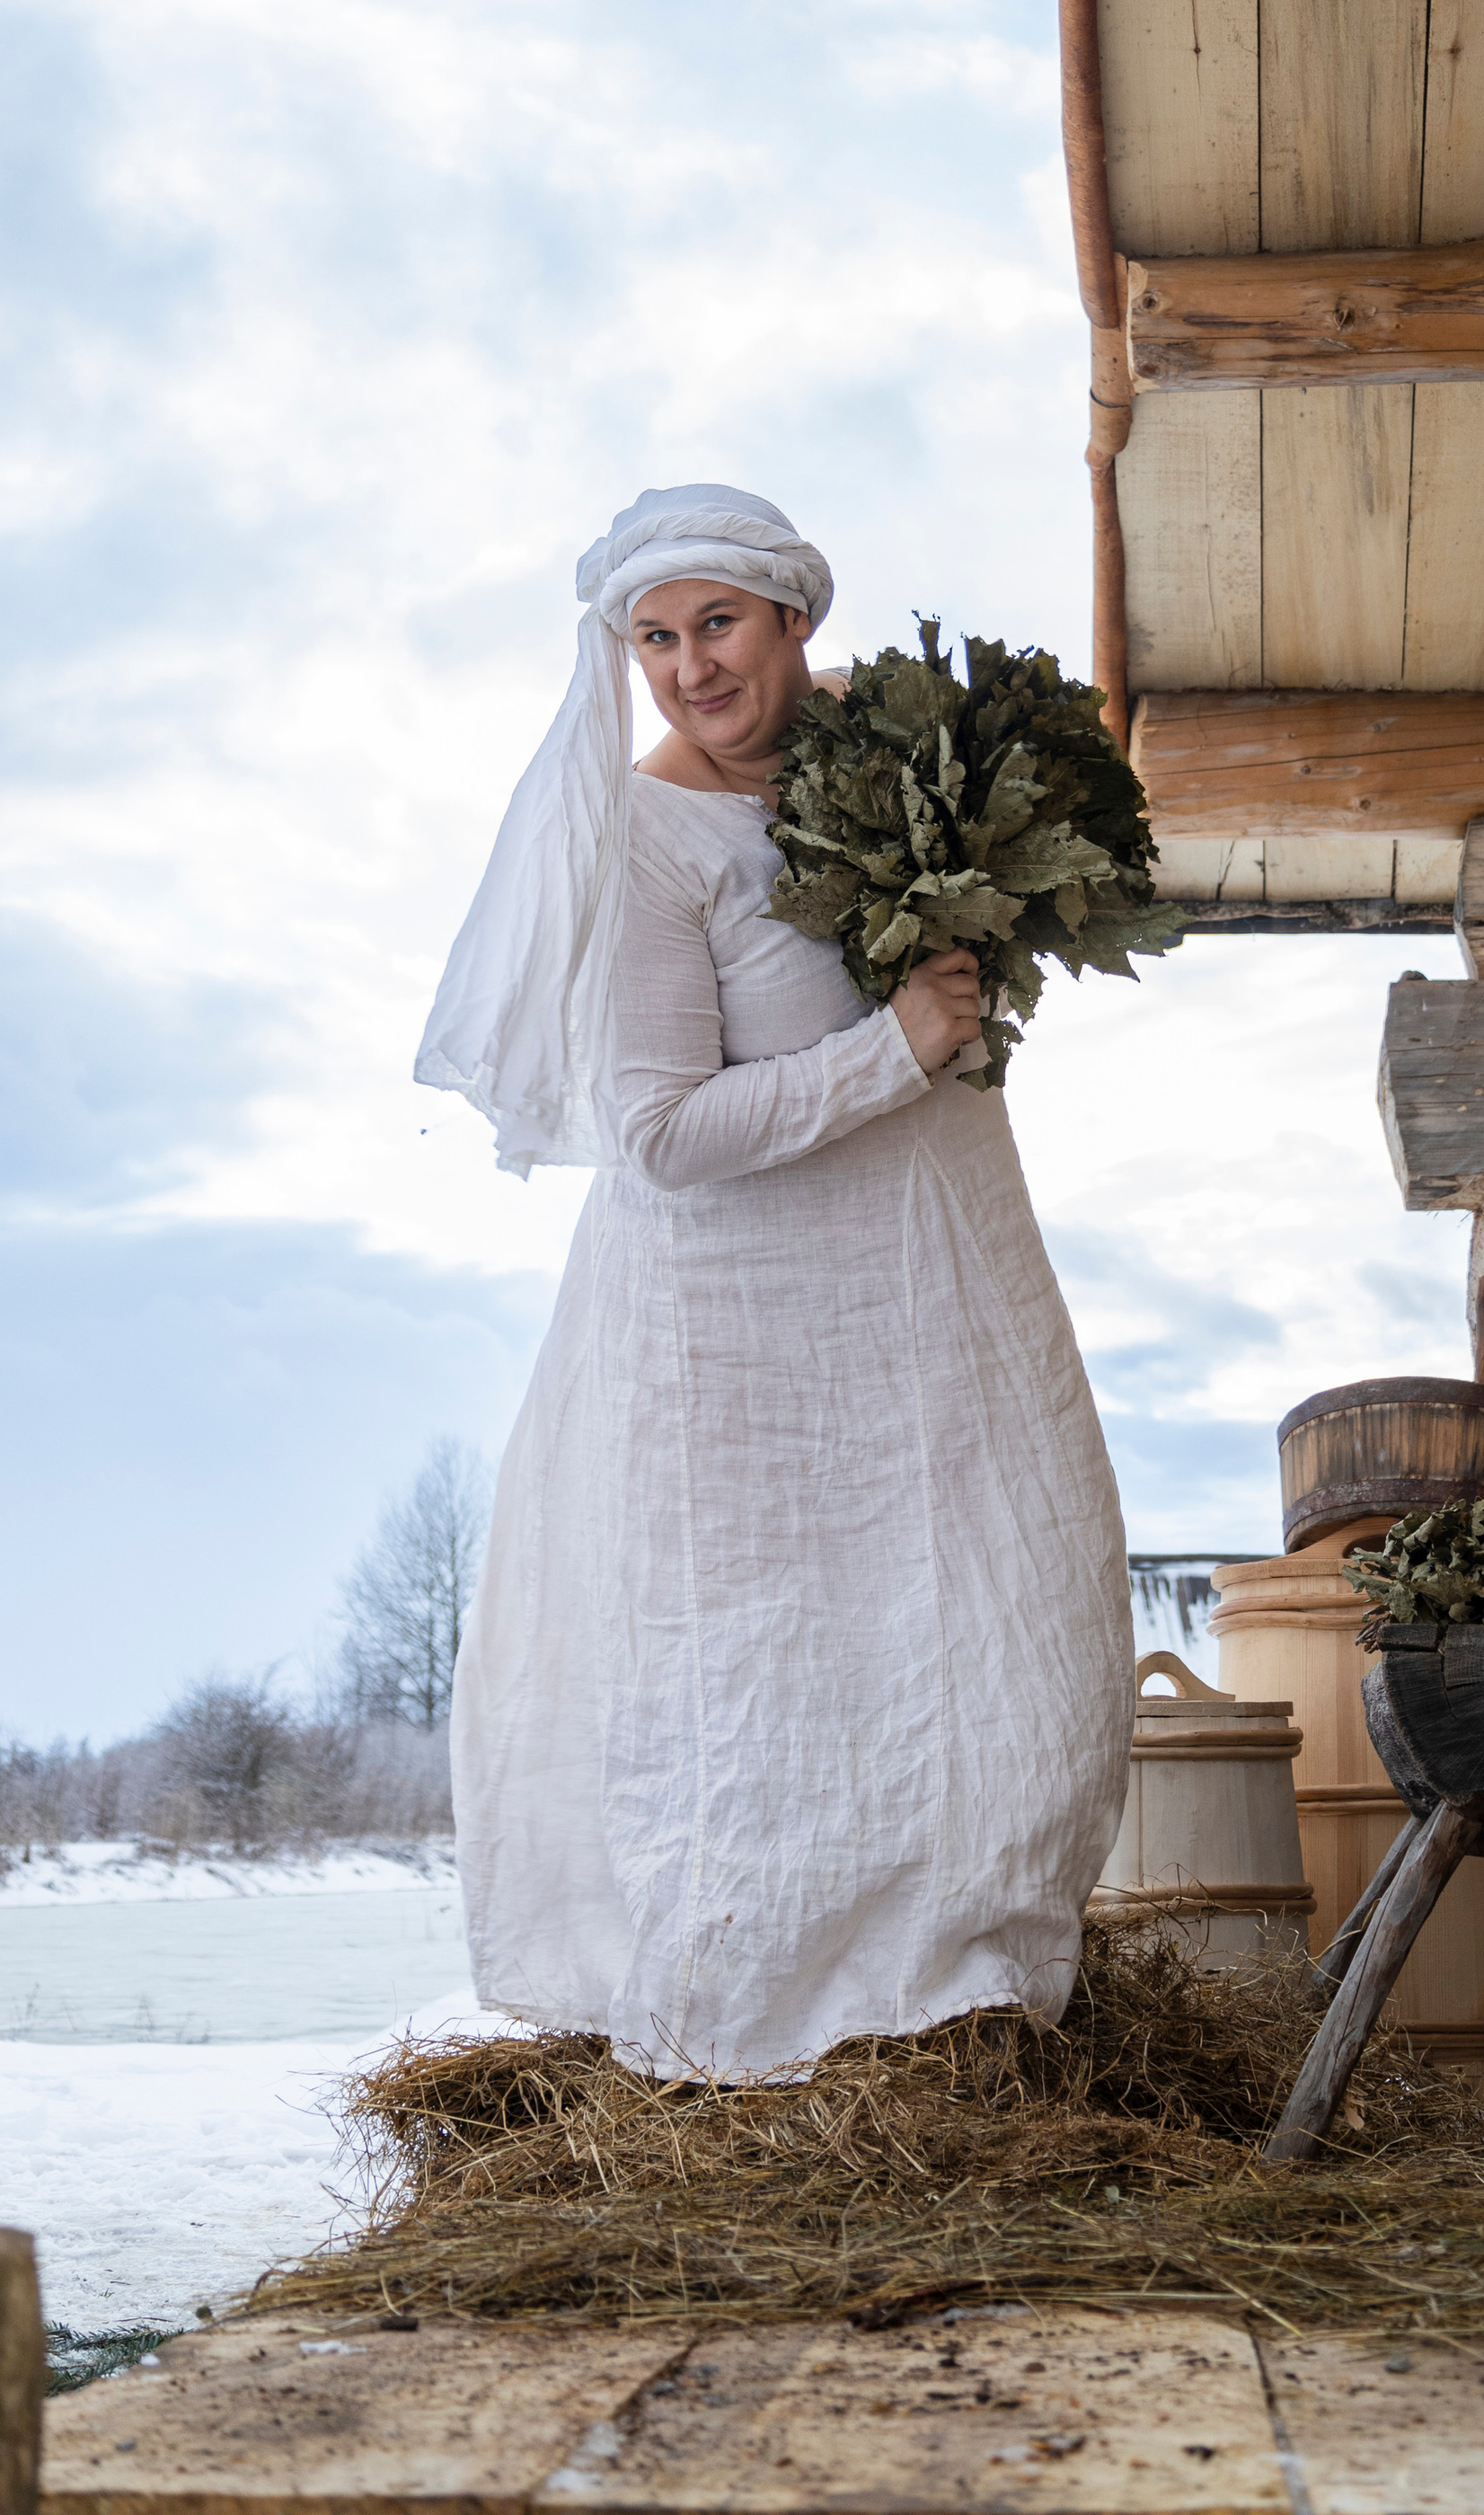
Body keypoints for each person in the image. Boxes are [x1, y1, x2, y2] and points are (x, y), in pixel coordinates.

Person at [415, 483, 1133, 2073]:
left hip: (933, 1288)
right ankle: (753, 2028)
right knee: (764, 1663)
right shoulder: (652, 844)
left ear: (797, 618)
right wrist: (897, 1047)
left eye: (716, 626)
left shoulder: (894, 770)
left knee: (997, 1604)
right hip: (742, 1346)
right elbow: (659, 1133)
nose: (689, 670)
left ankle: (953, 1993)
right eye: (654, 641)